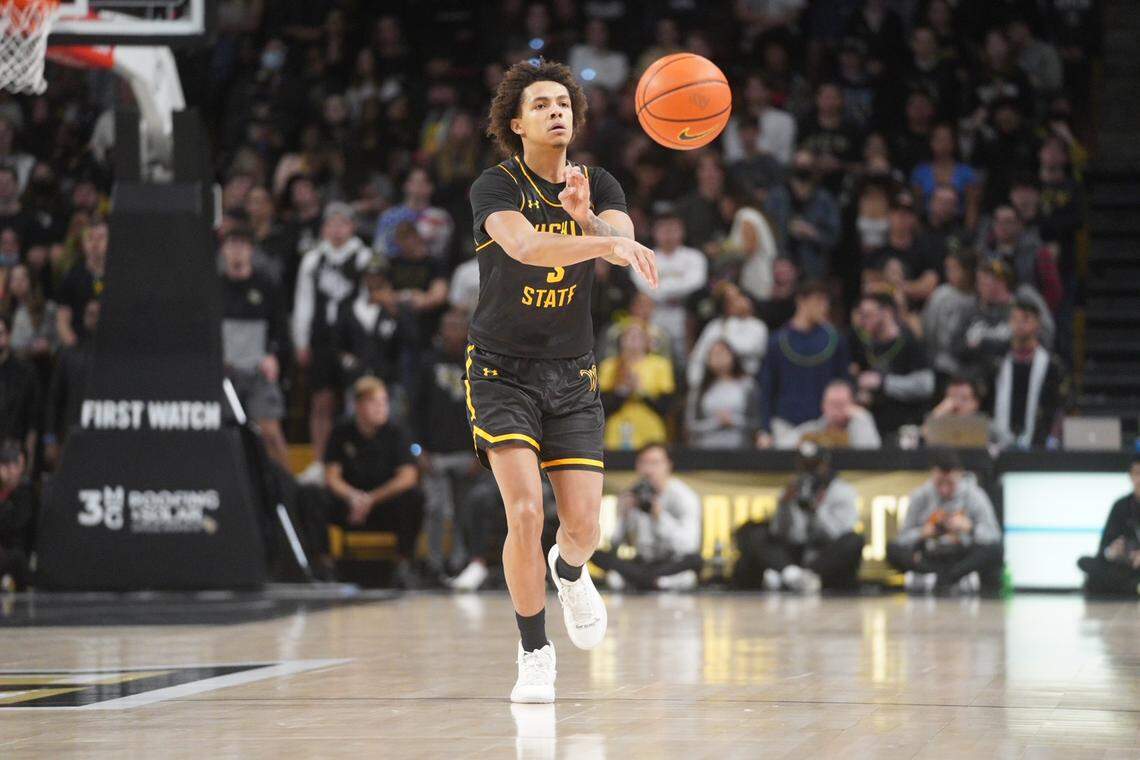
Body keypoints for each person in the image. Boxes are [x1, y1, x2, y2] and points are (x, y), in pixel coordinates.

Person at [466, 60, 659, 703]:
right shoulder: (495, 187)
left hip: (571, 373)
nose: (557, 112)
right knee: (523, 511)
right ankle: (533, 653)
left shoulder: (597, 182)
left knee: (583, 529)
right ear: (516, 124)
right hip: (500, 371)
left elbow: (620, 246)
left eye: (564, 104)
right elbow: (524, 248)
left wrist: (590, 222)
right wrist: (594, 240)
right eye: (542, 104)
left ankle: (570, 571)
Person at [292, 202, 371, 478]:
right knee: (321, 400)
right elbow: (303, 301)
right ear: (324, 228)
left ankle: (356, 462)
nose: (337, 230)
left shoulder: (363, 257)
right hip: (322, 337)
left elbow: (367, 299)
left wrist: (365, 341)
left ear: (352, 227)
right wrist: (301, 340)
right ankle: (320, 460)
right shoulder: (313, 260)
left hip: (352, 338)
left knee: (356, 399)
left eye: (343, 224)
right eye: (331, 224)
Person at [323, 377, 423, 588]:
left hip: (383, 504)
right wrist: (353, 497)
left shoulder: (397, 431)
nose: (382, 408)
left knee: (414, 497)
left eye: (384, 402)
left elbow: (408, 476)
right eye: (375, 402)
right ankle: (324, 566)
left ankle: (403, 564)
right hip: (350, 504)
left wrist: (371, 499)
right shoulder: (341, 431)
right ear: (358, 405)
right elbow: (332, 476)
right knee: (312, 496)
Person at [734, 443, 864, 592]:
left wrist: (817, 510)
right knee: (752, 530)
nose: (810, 470)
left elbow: (838, 534)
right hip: (795, 554)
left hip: (824, 555)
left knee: (854, 540)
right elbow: (779, 533)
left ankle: (795, 578)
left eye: (814, 465)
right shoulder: (795, 487)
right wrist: (784, 504)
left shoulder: (843, 491)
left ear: (824, 464)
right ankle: (793, 575)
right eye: (805, 465)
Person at [413, 308, 483, 583]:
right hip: (435, 455)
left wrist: (482, 453)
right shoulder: (427, 364)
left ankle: (459, 564)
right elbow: (414, 409)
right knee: (436, 509)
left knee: (464, 512)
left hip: (469, 454)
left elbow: (486, 409)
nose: (452, 331)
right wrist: (418, 450)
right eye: (447, 325)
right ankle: (433, 563)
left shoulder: (477, 362)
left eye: (458, 326)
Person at [219, 227, 289, 467]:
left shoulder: (266, 285)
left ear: (250, 250)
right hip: (225, 373)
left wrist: (273, 355)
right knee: (224, 436)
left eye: (242, 245)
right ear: (223, 251)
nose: (236, 251)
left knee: (270, 432)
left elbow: (280, 328)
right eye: (231, 245)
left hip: (258, 369)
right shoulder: (214, 287)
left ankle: (287, 492)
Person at [887, 450, 1003, 594]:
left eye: (950, 483)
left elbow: (994, 535)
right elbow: (902, 539)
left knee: (995, 549)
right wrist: (922, 533)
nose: (944, 490)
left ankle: (941, 578)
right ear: (932, 475)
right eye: (939, 483)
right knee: (892, 549)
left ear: (959, 475)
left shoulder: (974, 495)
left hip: (962, 555)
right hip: (930, 555)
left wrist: (970, 528)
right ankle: (950, 578)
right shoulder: (920, 496)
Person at [591, 443, 702, 591]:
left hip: (670, 562)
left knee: (695, 561)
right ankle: (657, 582)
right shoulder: (630, 494)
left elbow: (689, 546)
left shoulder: (684, 497)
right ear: (637, 466)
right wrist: (623, 517)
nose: (649, 469)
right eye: (644, 463)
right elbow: (614, 547)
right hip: (641, 562)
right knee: (596, 555)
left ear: (668, 465)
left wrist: (659, 517)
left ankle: (638, 581)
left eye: (655, 463)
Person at [757, 280, 850, 447]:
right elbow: (767, 388)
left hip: (823, 424)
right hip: (784, 424)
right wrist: (765, 429)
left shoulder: (836, 340)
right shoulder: (777, 341)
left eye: (826, 302)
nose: (823, 307)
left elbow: (843, 382)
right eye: (818, 301)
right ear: (801, 301)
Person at [849, 291, 934, 436]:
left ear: (887, 312)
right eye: (861, 315)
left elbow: (926, 385)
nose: (863, 321)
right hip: (874, 427)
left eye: (868, 315)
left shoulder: (910, 341)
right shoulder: (863, 342)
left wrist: (883, 383)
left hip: (906, 426)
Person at [989, 299, 1066, 450]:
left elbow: (1062, 406)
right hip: (999, 444)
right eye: (1015, 319)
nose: (1019, 324)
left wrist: (1053, 438)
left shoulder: (1052, 366)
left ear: (1038, 323)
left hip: (1040, 445)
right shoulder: (997, 363)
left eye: (1026, 319)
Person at [630, 210, 706, 361]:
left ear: (682, 231)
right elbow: (644, 286)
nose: (668, 234)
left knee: (684, 359)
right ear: (654, 232)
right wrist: (677, 285)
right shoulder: (643, 256)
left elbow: (696, 282)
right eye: (663, 229)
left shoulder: (694, 257)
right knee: (656, 356)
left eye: (673, 229)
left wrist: (661, 286)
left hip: (685, 313)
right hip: (655, 313)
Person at [764, 150, 841, 279]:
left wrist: (812, 233)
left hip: (812, 269)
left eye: (806, 166)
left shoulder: (825, 200)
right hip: (779, 267)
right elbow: (765, 230)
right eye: (798, 166)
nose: (802, 171)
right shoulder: (776, 197)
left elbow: (834, 238)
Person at [599, 322, 675, 450]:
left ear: (647, 341)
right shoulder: (609, 366)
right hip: (616, 432)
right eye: (628, 336)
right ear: (621, 341)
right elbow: (601, 406)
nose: (633, 340)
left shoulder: (660, 365)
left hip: (650, 430)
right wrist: (623, 390)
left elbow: (665, 406)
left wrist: (641, 391)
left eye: (639, 336)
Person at [44, 300, 98, 468]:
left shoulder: (116, 358)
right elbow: (54, 399)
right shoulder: (69, 354)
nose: (95, 318)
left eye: (98, 314)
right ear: (83, 317)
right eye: (90, 314)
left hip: (103, 436)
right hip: (71, 434)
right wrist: (50, 438)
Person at [1077, 457, 1140, 598]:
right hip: (1126, 566)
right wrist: (1111, 552)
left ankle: (1132, 587)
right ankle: (1135, 587)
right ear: (1130, 476)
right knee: (1085, 562)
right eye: (1136, 474)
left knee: (1097, 582)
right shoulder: (1121, 506)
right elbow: (1104, 548)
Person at [687, 283, 768, 388]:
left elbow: (745, 348)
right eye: (731, 300)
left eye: (739, 296)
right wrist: (696, 385)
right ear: (724, 305)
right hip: (715, 385)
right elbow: (698, 358)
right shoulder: (714, 326)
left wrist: (725, 334)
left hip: (746, 383)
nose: (739, 301)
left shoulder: (757, 326)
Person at [685, 341, 759, 450]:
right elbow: (690, 425)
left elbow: (757, 422)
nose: (719, 358)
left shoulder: (748, 385)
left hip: (741, 449)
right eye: (715, 354)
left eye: (723, 353)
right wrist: (716, 422)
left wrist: (733, 421)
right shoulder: (700, 389)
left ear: (733, 356)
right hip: (706, 449)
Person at [373, 166, 454, 260]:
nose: (418, 185)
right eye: (413, 181)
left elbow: (442, 251)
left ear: (431, 187)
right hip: (394, 268)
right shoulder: (388, 216)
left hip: (427, 268)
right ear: (406, 185)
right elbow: (379, 251)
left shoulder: (441, 217)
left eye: (422, 182)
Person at [923, 248, 978, 383]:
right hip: (942, 363)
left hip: (970, 366)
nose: (950, 274)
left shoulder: (979, 298)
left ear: (969, 271)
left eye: (955, 269)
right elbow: (929, 330)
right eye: (948, 269)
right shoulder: (941, 295)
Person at [777, 379, 881, 449]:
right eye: (832, 404)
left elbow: (872, 453)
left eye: (841, 404)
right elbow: (781, 447)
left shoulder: (860, 424)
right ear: (823, 406)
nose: (836, 409)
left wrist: (862, 417)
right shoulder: (812, 430)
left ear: (852, 405)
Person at [56, 218, 107, 348]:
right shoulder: (72, 276)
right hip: (81, 344)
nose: (95, 244)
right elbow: (62, 319)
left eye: (100, 238)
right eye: (90, 238)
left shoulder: (122, 276)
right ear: (83, 244)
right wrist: (75, 347)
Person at [0, 315, 37, 468]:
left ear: (8, 336)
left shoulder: (25, 372)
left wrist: (30, 452)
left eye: (0, 333)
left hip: (13, 448)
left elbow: (33, 416)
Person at [0, 439, 33, 589]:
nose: (12, 471)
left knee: (15, 558)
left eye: (16, 466)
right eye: (7, 466)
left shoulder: (24, 491)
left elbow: (17, 525)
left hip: (15, 551)